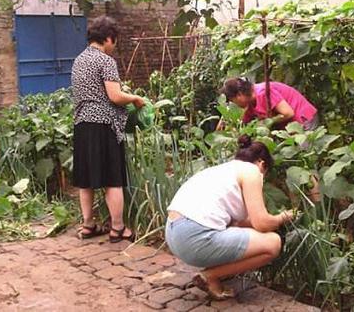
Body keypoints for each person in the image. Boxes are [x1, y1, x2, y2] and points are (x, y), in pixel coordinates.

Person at [166, 135, 294, 300]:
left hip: (174, 234)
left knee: (236, 230)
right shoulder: (252, 171)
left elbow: (240, 223)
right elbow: (262, 223)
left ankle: (216, 273)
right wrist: (284, 217)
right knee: (273, 243)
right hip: (195, 238)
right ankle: (210, 276)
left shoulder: (223, 169)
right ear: (262, 163)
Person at [71, 15, 144, 242]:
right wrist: (134, 98)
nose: (115, 46)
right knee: (113, 178)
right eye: (115, 41)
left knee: (87, 178)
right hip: (103, 125)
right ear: (109, 38)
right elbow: (114, 96)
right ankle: (118, 228)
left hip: (82, 124)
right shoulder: (105, 61)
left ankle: (88, 225)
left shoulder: (79, 60)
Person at [220, 77, 319, 130]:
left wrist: (265, 123)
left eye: (233, 101)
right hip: (292, 126)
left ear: (239, 95)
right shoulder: (250, 103)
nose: (235, 105)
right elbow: (245, 123)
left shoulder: (263, 92)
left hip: (304, 119)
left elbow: (288, 113)